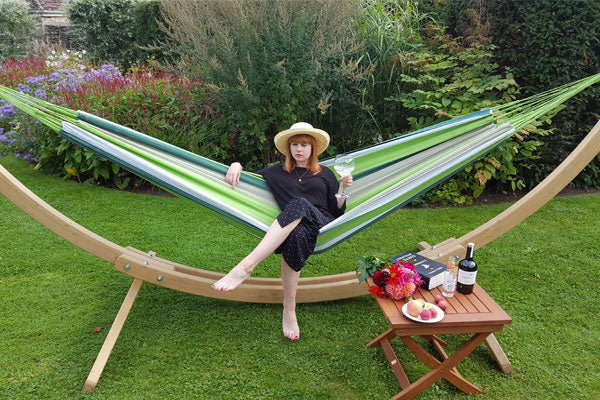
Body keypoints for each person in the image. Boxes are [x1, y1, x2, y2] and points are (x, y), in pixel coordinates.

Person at [211, 122, 353, 340]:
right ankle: (289, 310)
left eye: (304, 145)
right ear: (288, 148)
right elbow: (248, 180)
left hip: (322, 221)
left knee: (299, 203)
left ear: (313, 148)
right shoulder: (275, 172)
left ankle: (246, 266)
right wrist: (237, 164)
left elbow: (337, 212)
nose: (299, 149)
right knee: (295, 237)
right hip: (296, 227)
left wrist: (343, 189)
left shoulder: (325, 174)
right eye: (295, 144)